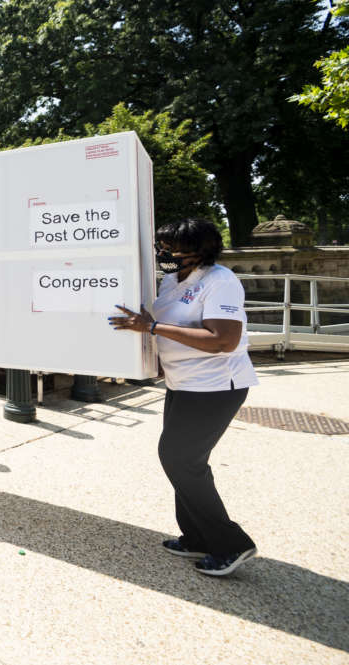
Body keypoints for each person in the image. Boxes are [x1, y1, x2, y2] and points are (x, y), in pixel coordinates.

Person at [110, 217, 258, 577]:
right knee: (182, 460)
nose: (164, 253)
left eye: (170, 248)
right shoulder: (170, 279)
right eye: (162, 246)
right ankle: (196, 537)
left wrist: (154, 327)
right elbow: (168, 326)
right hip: (181, 382)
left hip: (215, 386)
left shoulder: (220, 281)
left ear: (200, 250)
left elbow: (224, 340)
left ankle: (231, 544)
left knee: (180, 459)